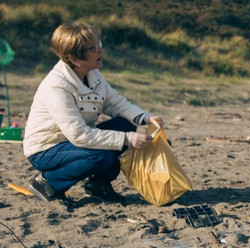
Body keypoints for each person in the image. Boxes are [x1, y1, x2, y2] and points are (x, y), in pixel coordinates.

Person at [23, 22, 162, 203]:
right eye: (93, 48)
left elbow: (116, 103)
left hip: (74, 141)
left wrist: (146, 117)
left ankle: (98, 186)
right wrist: (127, 139)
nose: (100, 51)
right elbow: (79, 135)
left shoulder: (93, 73)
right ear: (75, 59)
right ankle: (48, 182)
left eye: (99, 44)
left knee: (124, 123)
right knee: (100, 155)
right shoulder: (57, 87)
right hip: (46, 149)